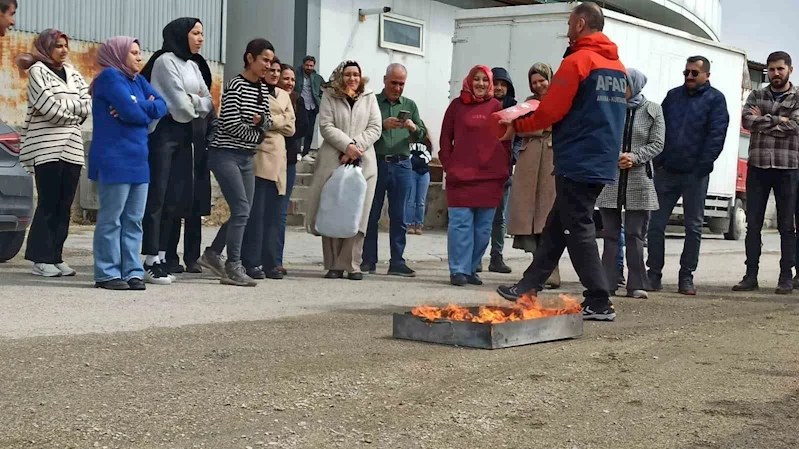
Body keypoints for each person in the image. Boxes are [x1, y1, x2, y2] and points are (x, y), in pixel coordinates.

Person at [496, 2, 627, 321]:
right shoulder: (618, 68)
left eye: (570, 23)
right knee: (558, 224)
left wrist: (518, 126)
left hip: (577, 157)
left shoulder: (578, 61)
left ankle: (598, 299)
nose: (567, 29)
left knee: (577, 226)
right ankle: (528, 287)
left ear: (581, 24)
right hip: (601, 158)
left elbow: (552, 110)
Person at [139, 17, 215, 285]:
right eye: (195, 33)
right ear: (182, 34)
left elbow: (209, 101)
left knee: (175, 197)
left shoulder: (193, 65)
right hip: (164, 134)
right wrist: (196, 102)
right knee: (157, 196)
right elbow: (180, 106)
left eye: (202, 33)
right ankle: (148, 258)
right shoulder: (165, 61)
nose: (200, 38)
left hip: (185, 136)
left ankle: (161, 256)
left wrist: (193, 101)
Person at [89, 37, 168, 290]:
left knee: (134, 219)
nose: (138, 56)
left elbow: (163, 106)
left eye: (139, 52)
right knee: (112, 219)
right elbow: (132, 112)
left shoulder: (139, 81)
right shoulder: (110, 77)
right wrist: (143, 108)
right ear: (118, 54)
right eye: (133, 52)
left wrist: (138, 105)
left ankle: (132, 270)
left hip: (138, 161)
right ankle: (107, 273)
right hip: (114, 159)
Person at [646, 56, 729, 295]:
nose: (689, 77)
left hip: (695, 174)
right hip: (667, 171)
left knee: (693, 227)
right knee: (655, 225)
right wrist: (658, 161)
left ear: (707, 75)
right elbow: (658, 127)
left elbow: (717, 135)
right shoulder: (673, 96)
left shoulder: (716, 100)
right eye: (686, 73)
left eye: (694, 73)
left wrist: (703, 166)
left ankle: (686, 277)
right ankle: (654, 275)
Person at [16, 29, 92, 278]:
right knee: (48, 202)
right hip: (46, 146)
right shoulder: (38, 70)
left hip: (71, 146)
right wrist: (73, 112)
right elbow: (48, 106)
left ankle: (55, 256)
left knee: (64, 205)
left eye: (65, 46)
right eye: (58, 46)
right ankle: (40, 258)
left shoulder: (72, 72)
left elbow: (87, 103)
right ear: (46, 47)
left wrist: (70, 108)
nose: (63, 50)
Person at [200, 38, 273, 287]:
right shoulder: (235, 85)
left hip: (246, 156)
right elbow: (229, 124)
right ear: (250, 58)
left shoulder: (262, 89)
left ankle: (212, 254)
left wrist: (259, 124)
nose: (268, 65)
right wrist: (258, 131)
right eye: (264, 59)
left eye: (271, 61)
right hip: (225, 154)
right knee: (242, 209)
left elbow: (268, 121)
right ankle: (234, 266)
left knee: (244, 211)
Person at [305, 60, 382, 280]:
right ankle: (333, 265)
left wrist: (355, 146)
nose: (352, 79)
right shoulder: (330, 95)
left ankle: (352, 264)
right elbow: (326, 125)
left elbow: (375, 127)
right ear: (340, 76)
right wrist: (345, 146)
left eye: (356, 74)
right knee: (332, 209)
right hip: (333, 160)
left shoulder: (369, 96)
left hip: (364, 161)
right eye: (347, 75)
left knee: (358, 214)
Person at [596, 68, 665, 299]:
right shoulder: (609, 107)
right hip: (611, 178)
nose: (619, 89)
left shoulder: (653, 110)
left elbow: (657, 143)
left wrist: (635, 157)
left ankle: (637, 284)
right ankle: (607, 283)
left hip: (639, 180)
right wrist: (615, 155)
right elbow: (600, 136)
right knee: (610, 234)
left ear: (635, 85)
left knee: (636, 235)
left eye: (623, 84)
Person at [734, 52, 799, 294]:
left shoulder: (798, 96)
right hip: (759, 166)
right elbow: (747, 121)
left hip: (787, 167)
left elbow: (795, 126)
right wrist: (780, 120)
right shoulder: (756, 95)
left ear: (789, 70)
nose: (775, 74)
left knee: (786, 226)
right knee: (753, 225)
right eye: (771, 69)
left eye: (780, 69)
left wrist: (767, 120)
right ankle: (751, 275)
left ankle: (785, 277)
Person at [439, 65, 509, 287]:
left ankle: (471, 268)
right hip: (460, 178)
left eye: (484, 80)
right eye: (476, 79)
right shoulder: (456, 107)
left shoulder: (497, 107)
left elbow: (506, 140)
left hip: (490, 178)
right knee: (460, 226)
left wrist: (504, 168)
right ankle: (458, 270)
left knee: (483, 229)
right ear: (469, 81)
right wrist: (449, 165)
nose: (480, 84)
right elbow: (445, 139)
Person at [361, 63, 425, 277]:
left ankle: (397, 261)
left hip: (402, 164)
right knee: (371, 213)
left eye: (401, 84)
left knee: (399, 216)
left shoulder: (410, 105)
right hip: (377, 162)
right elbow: (362, 131)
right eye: (394, 83)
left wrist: (413, 128)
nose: (397, 88)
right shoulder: (372, 102)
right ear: (384, 80)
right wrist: (381, 126)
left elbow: (422, 134)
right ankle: (368, 260)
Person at [507, 62, 560, 290]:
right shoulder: (527, 104)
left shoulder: (561, 99)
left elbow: (557, 125)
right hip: (528, 162)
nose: (539, 85)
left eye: (542, 80)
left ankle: (552, 270)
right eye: (534, 82)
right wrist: (540, 126)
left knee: (548, 216)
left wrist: (536, 126)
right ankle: (537, 267)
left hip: (551, 159)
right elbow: (518, 127)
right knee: (529, 217)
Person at [242, 58, 295, 280]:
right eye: (271, 70)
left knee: (275, 215)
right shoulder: (256, 91)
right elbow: (253, 120)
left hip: (280, 159)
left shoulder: (283, 95)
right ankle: (251, 261)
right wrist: (278, 120)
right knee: (257, 214)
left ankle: (271, 261)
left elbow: (291, 127)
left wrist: (268, 120)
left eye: (277, 71)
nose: (274, 74)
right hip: (260, 156)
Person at [276, 63, 309, 274]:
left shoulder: (299, 100)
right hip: (268, 159)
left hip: (288, 160)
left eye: (292, 80)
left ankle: (276, 260)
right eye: (285, 78)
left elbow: (302, 128)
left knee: (280, 213)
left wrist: (285, 128)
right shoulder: (271, 97)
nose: (289, 83)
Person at [485, 66, 519, 274]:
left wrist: (512, 157)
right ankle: (474, 257)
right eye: (495, 83)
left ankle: (496, 258)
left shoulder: (516, 109)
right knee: (480, 216)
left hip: (503, 170)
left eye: (503, 84)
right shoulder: (482, 106)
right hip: (481, 170)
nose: (499, 88)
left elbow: (520, 137)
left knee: (499, 218)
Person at [294, 55, 325, 162]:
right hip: (300, 106)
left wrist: (320, 102)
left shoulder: (317, 78)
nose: (309, 67)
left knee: (309, 130)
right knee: (299, 129)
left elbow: (324, 90)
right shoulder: (296, 75)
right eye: (307, 65)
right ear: (303, 65)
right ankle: (297, 151)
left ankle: (305, 153)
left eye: (311, 65)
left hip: (313, 107)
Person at [406, 126, 433, 235]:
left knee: (421, 201)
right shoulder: (407, 140)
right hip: (411, 172)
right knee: (410, 200)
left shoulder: (427, 142)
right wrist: (417, 160)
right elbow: (407, 156)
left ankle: (419, 224)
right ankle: (409, 224)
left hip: (424, 174)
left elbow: (428, 157)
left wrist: (416, 160)